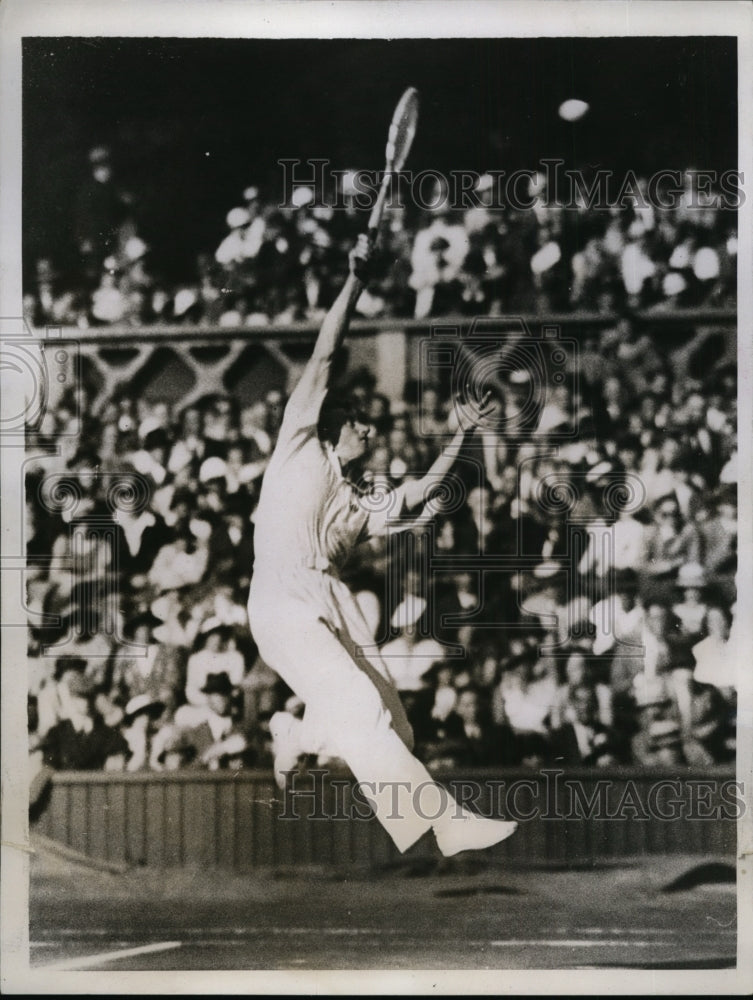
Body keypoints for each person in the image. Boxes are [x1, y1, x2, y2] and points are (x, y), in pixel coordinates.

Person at [248, 234, 517, 857]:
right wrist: (356, 282)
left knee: (397, 724)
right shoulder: (298, 446)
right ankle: (442, 822)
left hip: (330, 596)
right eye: (359, 419)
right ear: (333, 424)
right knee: (353, 701)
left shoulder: (361, 495)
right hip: (281, 599)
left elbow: (423, 492)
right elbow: (324, 356)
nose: (370, 426)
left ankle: (296, 735)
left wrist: (462, 435)